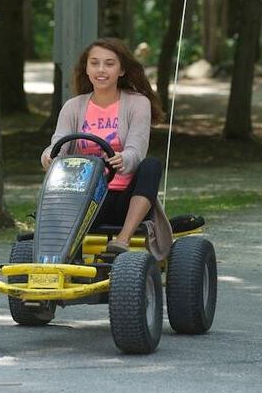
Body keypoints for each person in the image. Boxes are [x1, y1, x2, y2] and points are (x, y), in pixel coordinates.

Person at [41, 37, 173, 258]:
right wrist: (48, 155)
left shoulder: (137, 103)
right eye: (95, 63)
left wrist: (124, 160)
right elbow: (59, 143)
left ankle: (123, 239)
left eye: (109, 64)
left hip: (123, 198)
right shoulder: (73, 106)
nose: (101, 70)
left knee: (151, 165)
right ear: (87, 68)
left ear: (121, 70)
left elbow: (136, 148)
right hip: (83, 198)